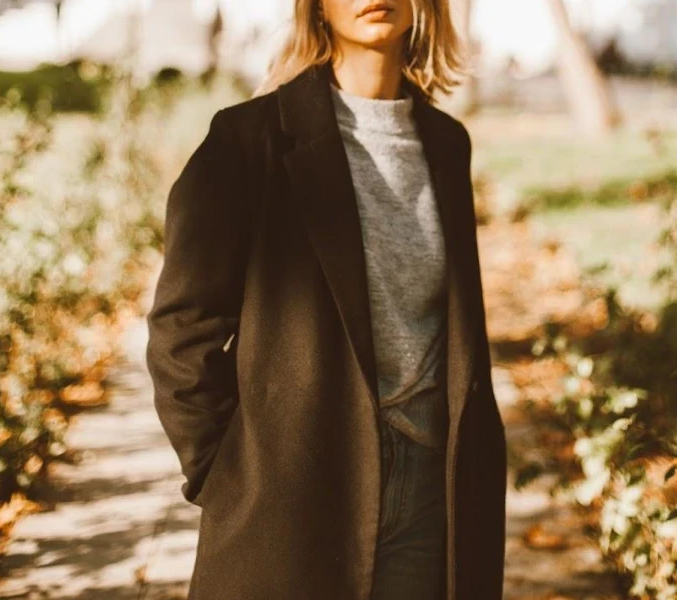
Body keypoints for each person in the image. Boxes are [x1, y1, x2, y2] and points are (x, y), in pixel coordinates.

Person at [144, 1, 507, 599]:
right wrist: (225, 472)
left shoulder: (447, 145)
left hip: (429, 490)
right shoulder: (247, 140)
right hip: (296, 489)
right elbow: (182, 328)